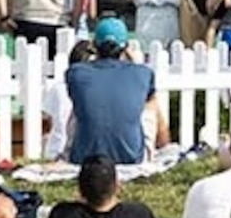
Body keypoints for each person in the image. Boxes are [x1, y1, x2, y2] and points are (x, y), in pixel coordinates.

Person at [64, 18, 166, 165]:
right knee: (150, 102)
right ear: (126, 47)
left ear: (94, 45)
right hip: (131, 158)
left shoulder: (75, 73)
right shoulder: (143, 73)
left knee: (81, 105)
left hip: (83, 158)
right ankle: (163, 146)